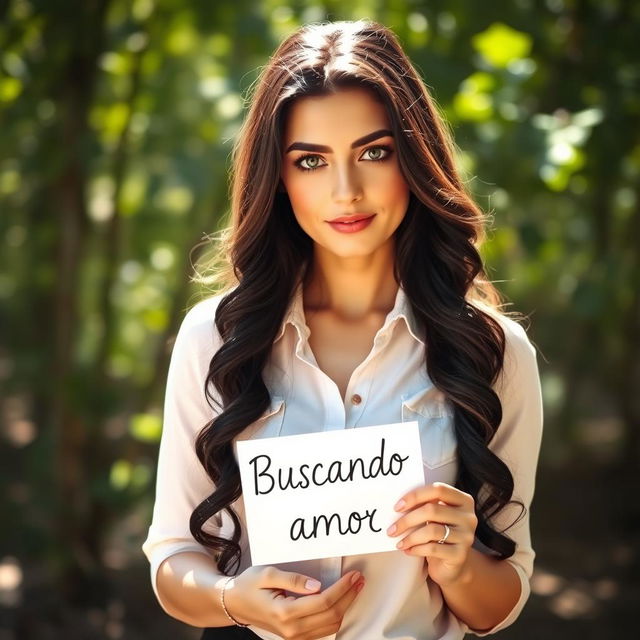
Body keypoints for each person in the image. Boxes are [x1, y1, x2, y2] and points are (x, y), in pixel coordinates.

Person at [142, 19, 544, 640]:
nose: (346, 191)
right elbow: (172, 560)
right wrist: (232, 598)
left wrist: (460, 564)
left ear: (413, 160)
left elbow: (501, 598)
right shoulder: (214, 339)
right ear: (278, 175)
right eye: (311, 161)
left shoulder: (493, 352)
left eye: (374, 152)